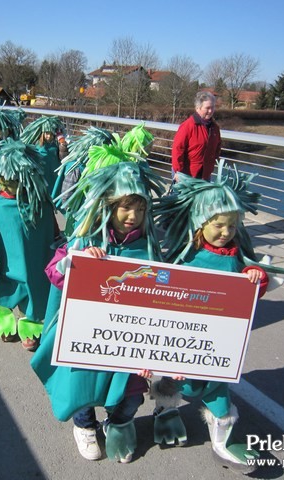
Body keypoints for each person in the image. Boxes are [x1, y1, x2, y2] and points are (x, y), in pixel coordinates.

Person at [150, 160, 284, 473]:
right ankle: (164, 413)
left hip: (216, 350)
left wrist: (256, 275)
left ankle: (222, 442)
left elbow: (253, 286)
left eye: (232, 225)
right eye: (219, 225)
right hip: (181, 345)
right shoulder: (183, 257)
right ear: (200, 222)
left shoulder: (237, 256)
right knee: (169, 387)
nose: (226, 232)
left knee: (221, 402)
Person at [31, 153, 167, 464]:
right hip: (87, 335)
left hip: (125, 339)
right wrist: (78, 262)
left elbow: (160, 300)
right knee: (83, 386)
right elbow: (54, 272)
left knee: (132, 393)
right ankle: (85, 425)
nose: (133, 215)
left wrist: (152, 350)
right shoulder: (86, 238)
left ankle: (118, 422)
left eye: (141, 208)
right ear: (109, 205)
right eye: (126, 206)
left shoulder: (147, 247)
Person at [0, 139, 59, 351]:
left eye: (10, 179)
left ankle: (28, 324)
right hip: (6, 261)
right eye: (0, 177)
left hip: (34, 259)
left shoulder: (40, 203)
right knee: (7, 289)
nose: (3, 182)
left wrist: (58, 249)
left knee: (32, 290)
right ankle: (5, 322)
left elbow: (52, 230)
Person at [171, 91, 221, 181]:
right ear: (198, 108)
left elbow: (217, 147)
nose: (210, 111)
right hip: (187, 174)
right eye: (207, 108)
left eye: (212, 107)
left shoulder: (214, 127)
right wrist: (178, 171)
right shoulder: (188, 126)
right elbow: (177, 150)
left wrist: (212, 163)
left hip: (205, 174)